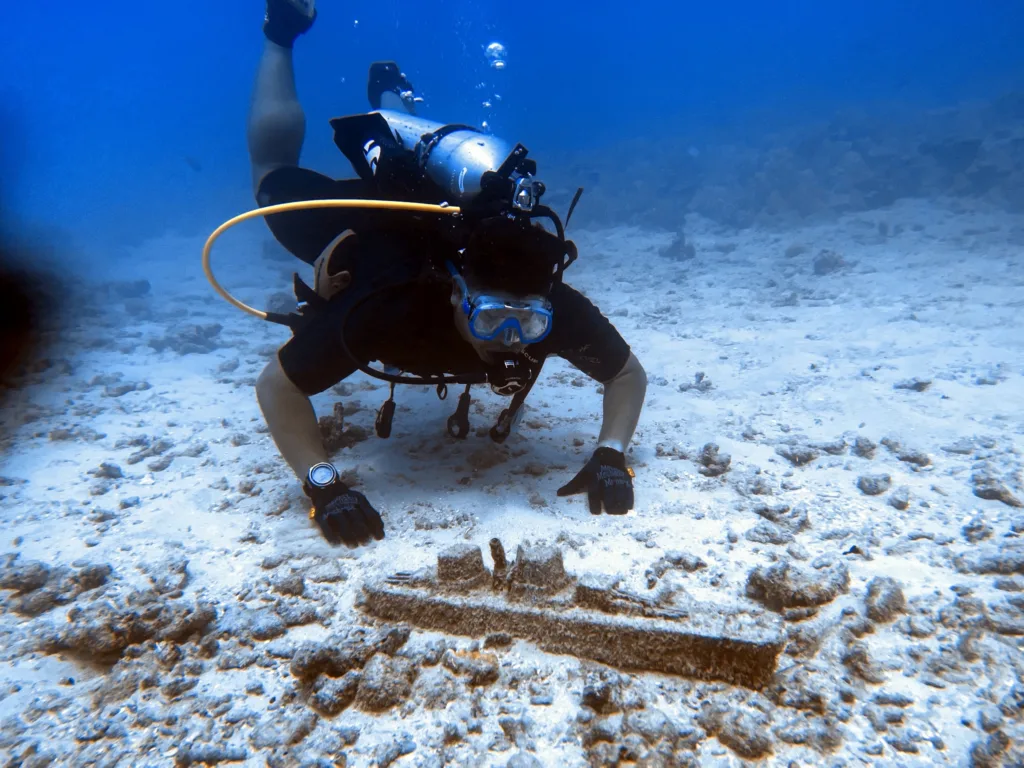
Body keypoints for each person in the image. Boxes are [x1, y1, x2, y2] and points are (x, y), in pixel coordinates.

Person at [248, 0, 648, 548]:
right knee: (269, 176)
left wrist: (611, 454)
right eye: (491, 319)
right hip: (366, 233)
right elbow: (277, 387)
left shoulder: (550, 306)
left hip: (428, 226)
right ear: (456, 296)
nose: (510, 338)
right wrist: (323, 485)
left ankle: (399, 106)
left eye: (527, 325)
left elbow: (627, 375)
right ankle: (283, 34)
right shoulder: (388, 308)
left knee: (427, 180)